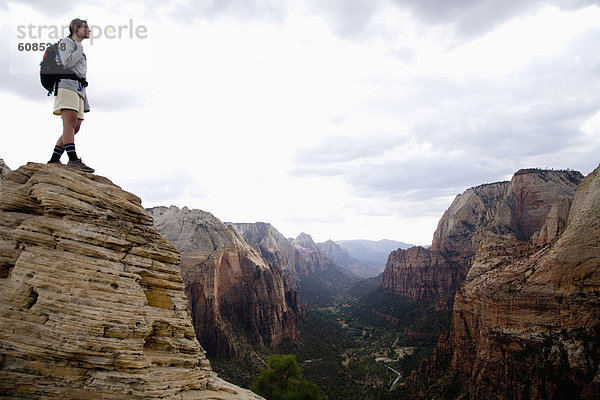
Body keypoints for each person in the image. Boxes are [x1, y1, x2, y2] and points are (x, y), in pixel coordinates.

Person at [47, 18, 94, 173]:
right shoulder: (67, 42)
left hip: (79, 88)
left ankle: (54, 159)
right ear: (75, 28)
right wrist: (79, 49)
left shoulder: (77, 47)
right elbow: (66, 62)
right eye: (85, 27)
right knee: (70, 123)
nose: (89, 30)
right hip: (66, 85)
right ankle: (73, 159)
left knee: (76, 125)